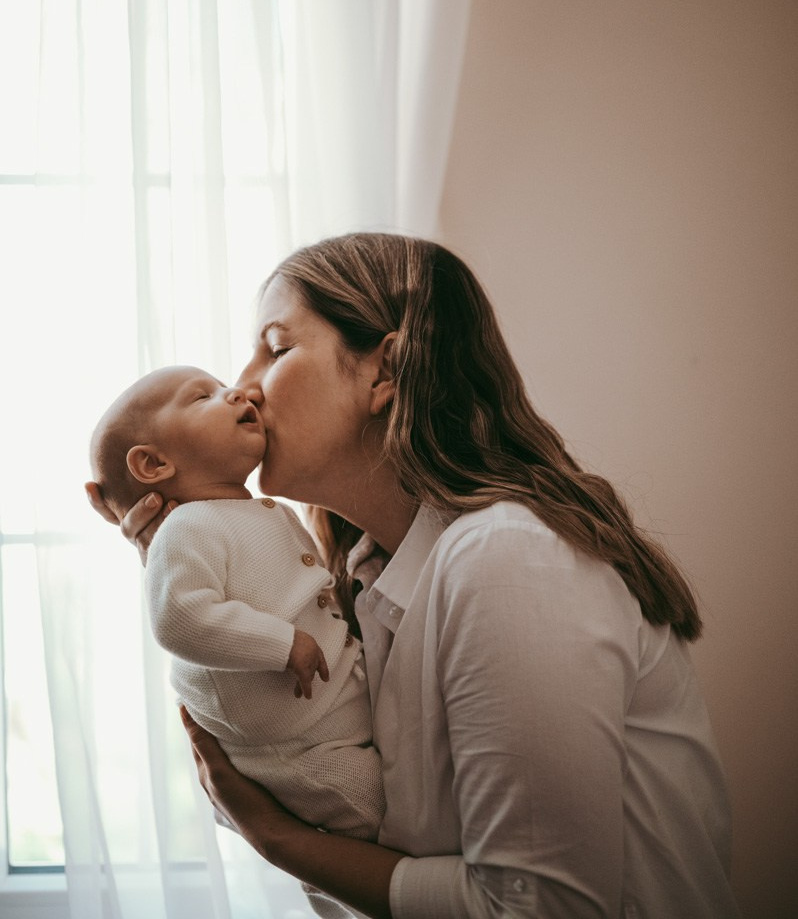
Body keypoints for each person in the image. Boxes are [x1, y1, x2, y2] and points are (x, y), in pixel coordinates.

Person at [87, 233, 741, 919]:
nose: (243, 384)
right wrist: (180, 554)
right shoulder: (368, 581)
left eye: (276, 348)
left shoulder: (507, 562)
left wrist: (279, 841)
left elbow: (544, 908)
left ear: (384, 373)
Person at [89, 365, 384, 840]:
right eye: (203, 396)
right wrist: (281, 642)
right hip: (297, 748)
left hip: (331, 715)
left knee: (398, 808)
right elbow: (180, 618)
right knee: (374, 813)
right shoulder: (185, 528)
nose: (238, 393)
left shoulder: (267, 511)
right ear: (153, 465)